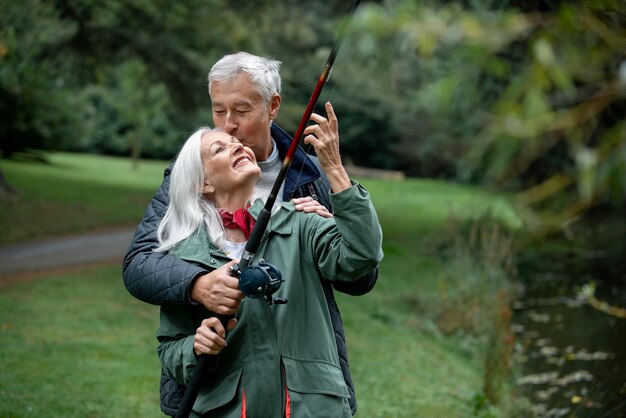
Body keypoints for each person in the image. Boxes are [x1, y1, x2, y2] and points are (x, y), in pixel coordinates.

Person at [122, 52, 380, 415]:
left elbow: (361, 274)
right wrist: (198, 285)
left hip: (303, 389)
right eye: (218, 111)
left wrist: (335, 223)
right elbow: (139, 264)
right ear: (203, 184)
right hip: (225, 393)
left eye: (241, 111)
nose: (228, 126)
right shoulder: (193, 172)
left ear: (272, 106)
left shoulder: (309, 177)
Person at [155, 127, 383, 417]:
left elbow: (362, 255)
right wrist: (196, 347)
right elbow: (170, 350)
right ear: (203, 184)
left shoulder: (301, 220)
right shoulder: (185, 257)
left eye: (237, 143)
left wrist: (335, 172)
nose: (238, 147)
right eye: (220, 149)